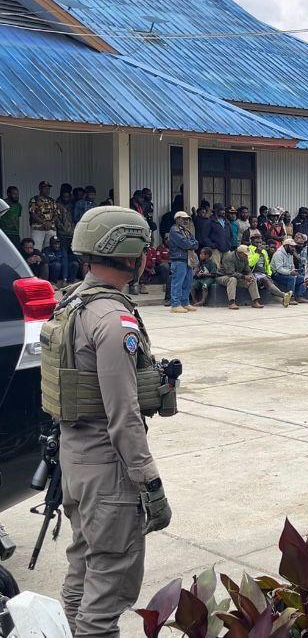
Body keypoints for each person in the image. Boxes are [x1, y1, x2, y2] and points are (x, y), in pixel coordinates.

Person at [41, 206, 173, 637]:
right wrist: (150, 483)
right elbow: (124, 415)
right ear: (131, 254)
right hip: (108, 471)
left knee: (82, 574)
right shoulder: (114, 320)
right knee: (108, 591)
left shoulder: (72, 303)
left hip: (75, 462)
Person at [247, 230, 292, 307]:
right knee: (266, 281)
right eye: (256, 242)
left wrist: (268, 274)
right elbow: (250, 263)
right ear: (251, 241)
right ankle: (284, 295)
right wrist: (257, 253)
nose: (259, 244)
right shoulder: (249, 250)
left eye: (260, 242)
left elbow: (267, 264)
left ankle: (282, 300)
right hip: (253, 273)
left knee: (269, 283)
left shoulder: (264, 251)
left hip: (263, 274)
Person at [167, 210, 199, 313]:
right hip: (178, 259)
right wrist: (192, 244)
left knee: (187, 282)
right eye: (184, 219)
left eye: (187, 219)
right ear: (177, 219)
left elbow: (196, 242)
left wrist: (191, 244)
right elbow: (184, 243)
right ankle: (175, 304)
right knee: (177, 282)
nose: (186, 221)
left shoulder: (186, 230)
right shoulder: (174, 230)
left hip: (187, 259)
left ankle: (185, 303)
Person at [218, 245, 261, 310]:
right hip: (223, 276)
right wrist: (244, 277)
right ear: (240, 253)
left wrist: (250, 275)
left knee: (252, 279)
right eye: (245, 254)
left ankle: (255, 301)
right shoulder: (229, 257)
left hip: (237, 276)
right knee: (232, 279)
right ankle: (231, 303)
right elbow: (230, 273)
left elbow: (248, 271)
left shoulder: (245, 258)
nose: (247, 256)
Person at [270, 238, 308, 304]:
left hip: (286, 273)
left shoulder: (290, 253)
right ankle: (290, 298)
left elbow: (292, 265)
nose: (293, 248)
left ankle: (299, 296)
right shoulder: (278, 254)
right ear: (286, 246)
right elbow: (279, 269)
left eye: (294, 246)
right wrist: (290, 272)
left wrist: (294, 271)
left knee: (303, 278)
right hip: (276, 274)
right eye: (292, 246)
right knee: (292, 278)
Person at [29, 180, 57, 249]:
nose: (47, 190)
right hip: (38, 228)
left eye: (48, 189)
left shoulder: (52, 200)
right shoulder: (34, 199)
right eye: (45, 188)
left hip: (50, 228)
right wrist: (44, 223)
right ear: (40, 189)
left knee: (50, 248)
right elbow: (32, 213)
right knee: (37, 248)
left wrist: (50, 223)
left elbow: (56, 214)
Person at [144, 237, 171, 306]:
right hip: (159, 267)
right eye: (168, 240)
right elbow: (159, 261)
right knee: (165, 266)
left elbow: (153, 260)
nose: (169, 242)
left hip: (171, 266)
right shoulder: (160, 248)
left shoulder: (172, 248)